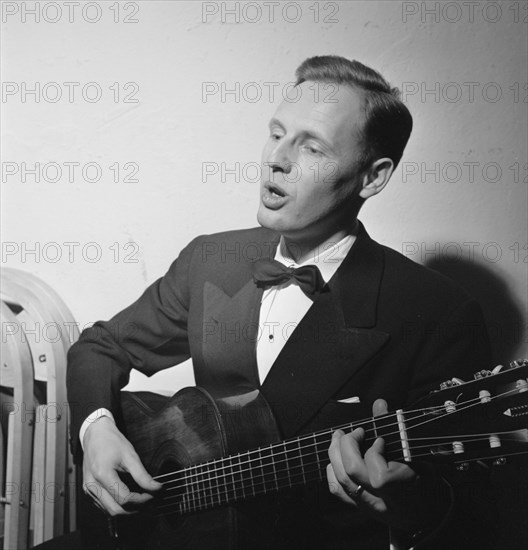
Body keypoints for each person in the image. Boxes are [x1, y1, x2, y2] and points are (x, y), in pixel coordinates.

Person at [60, 56, 494, 550]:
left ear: (372, 178)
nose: (277, 158)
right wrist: (96, 430)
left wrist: (409, 511)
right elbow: (98, 347)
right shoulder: (212, 259)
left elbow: (469, 512)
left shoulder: (438, 311)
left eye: (311, 146)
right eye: (276, 133)